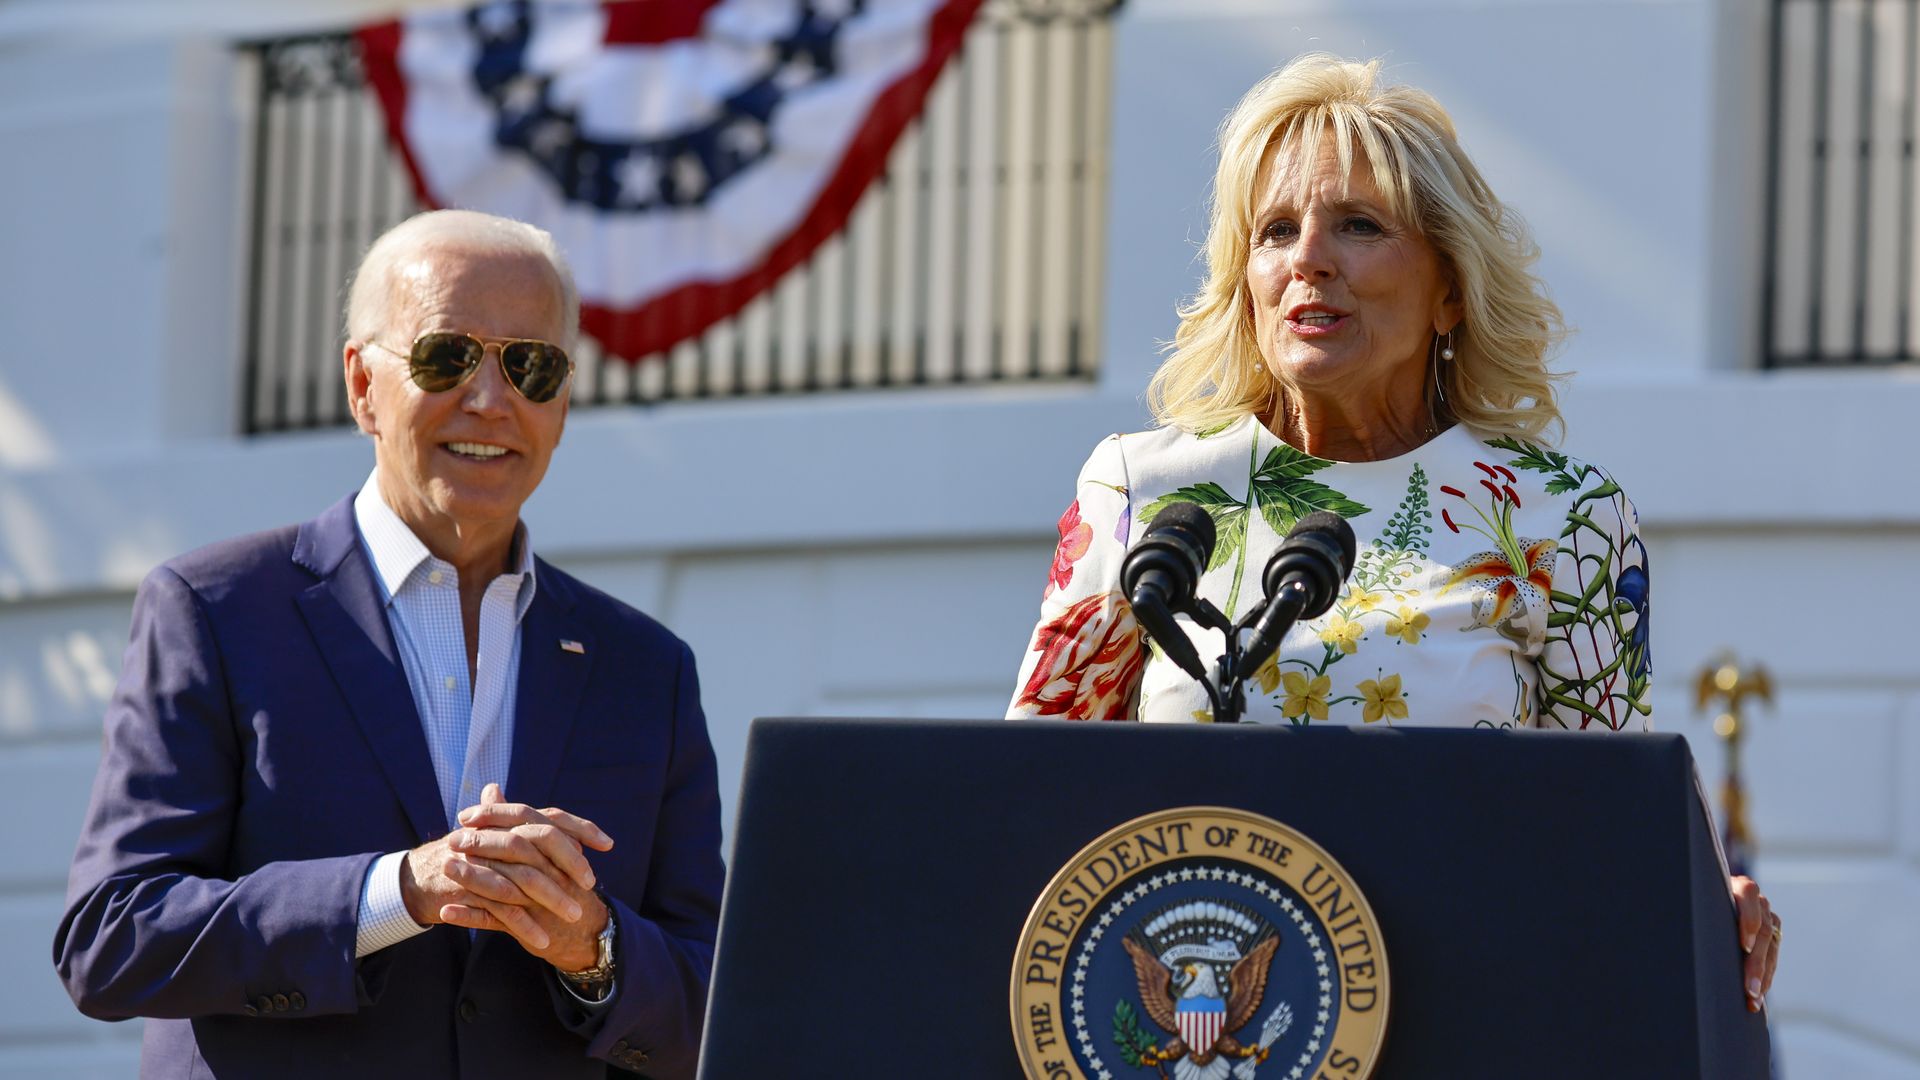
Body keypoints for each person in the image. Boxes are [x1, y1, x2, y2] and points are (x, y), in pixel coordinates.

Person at [1006, 55, 1781, 1009]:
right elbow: (1026, 799)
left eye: (1359, 226)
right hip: (1205, 1023)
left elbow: (1612, 825)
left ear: (1451, 289)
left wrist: (1702, 899)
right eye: (1275, 231)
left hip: (1468, 1008)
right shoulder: (1142, 491)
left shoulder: (1563, 517)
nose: (1308, 260)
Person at [54, 210, 723, 1078]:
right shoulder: (214, 610)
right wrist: (398, 892)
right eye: (448, 357)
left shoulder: (646, 669)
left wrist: (590, 946)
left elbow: (716, 1002)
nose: (491, 400)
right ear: (362, 384)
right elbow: (110, 938)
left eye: (531, 365)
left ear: (562, 404)